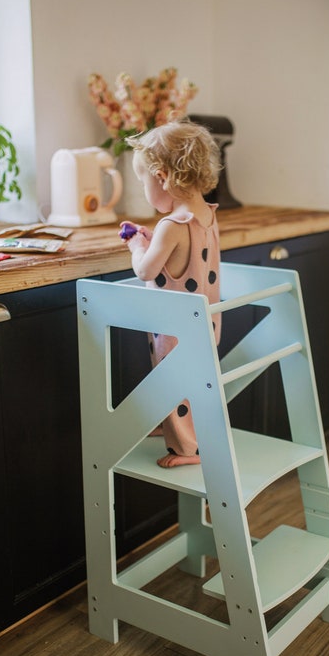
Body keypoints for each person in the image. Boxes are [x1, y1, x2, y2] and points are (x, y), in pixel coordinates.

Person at [119, 120, 222, 468]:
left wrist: (136, 245)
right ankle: (172, 428)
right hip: (204, 321)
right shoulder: (205, 214)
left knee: (174, 383)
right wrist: (154, 243)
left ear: (161, 177)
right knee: (190, 384)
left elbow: (145, 270)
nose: (146, 190)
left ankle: (186, 449)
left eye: (143, 181)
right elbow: (180, 257)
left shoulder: (170, 225)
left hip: (174, 328)